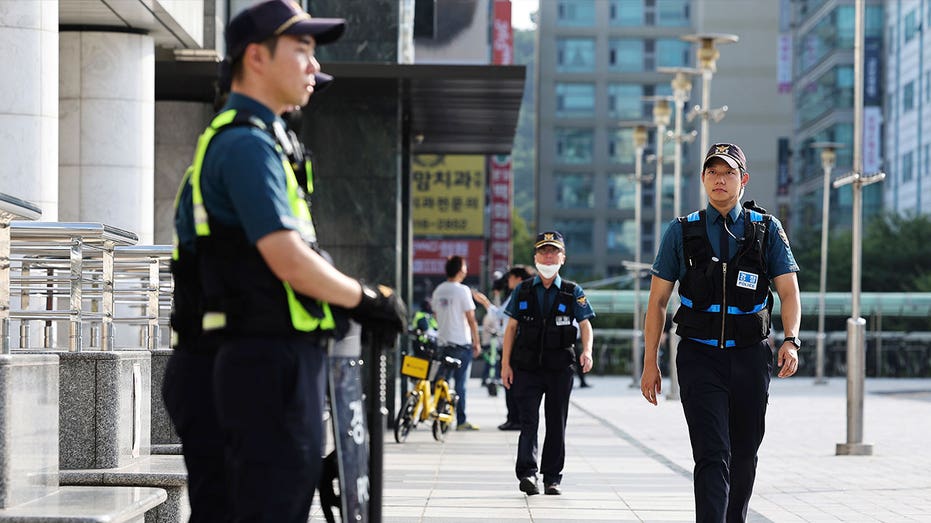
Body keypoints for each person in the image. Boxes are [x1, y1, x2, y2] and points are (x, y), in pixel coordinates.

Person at [173, 2, 405, 521]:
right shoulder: (246, 146)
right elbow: (285, 256)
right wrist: (366, 299)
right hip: (257, 362)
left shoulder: (256, 144)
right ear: (256, 57)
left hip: (260, 357)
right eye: (301, 50)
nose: (312, 67)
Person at [641, 143, 801, 523]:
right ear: (702, 179)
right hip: (699, 356)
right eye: (712, 172)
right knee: (712, 453)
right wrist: (651, 361)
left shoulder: (766, 230)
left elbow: (789, 291)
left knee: (744, 454)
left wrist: (791, 339)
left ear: (742, 180)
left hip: (750, 354)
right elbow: (658, 302)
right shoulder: (681, 231)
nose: (719, 180)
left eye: (728, 172)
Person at [501, 232, 595, 496]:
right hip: (526, 367)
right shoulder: (524, 289)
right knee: (528, 421)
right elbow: (510, 328)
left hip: (559, 368)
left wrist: (586, 351)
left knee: (556, 423)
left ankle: (552, 478)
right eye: (544, 252)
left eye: (554, 252)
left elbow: (586, 325)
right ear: (536, 257)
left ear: (562, 258)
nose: (548, 257)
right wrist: (504, 365)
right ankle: (528, 474)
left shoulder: (572, 291)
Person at [473, 264, 534, 430]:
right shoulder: (522, 294)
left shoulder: (520, 294)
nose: (508, 281)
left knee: (511, 382)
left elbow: (500, 314)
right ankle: (513, 417)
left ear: (519, 279)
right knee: (511, 382)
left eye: (511, 278)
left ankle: (515, 418)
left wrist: (485, 302)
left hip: (515, 345)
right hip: (515, 344)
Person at [431, 255, 482, 431]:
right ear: (461, 270)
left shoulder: (438, 290)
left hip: (443, 343)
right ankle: (461, 421)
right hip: (461, 344)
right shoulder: (462, 291)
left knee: (442, 382)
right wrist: (477, 342)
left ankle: (439, 416)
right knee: (460, 384)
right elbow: (471, 319)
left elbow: (436, 315)